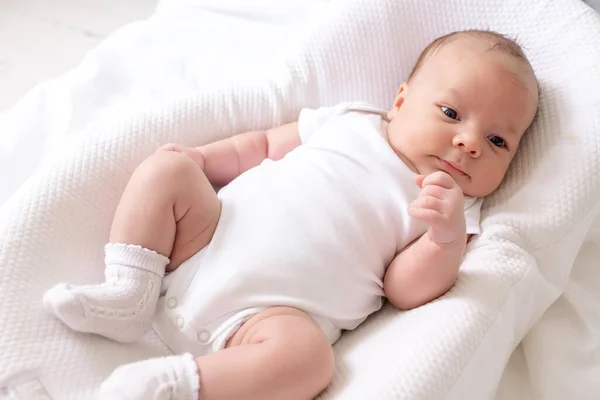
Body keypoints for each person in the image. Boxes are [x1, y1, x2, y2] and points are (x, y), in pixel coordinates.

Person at [43, 29, 539, 400]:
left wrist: (444, 241)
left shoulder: (455, 210)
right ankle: (129, 292)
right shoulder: (349, 121)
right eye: (452, 114)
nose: (469, 143)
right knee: (165, 170)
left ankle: (177, 385)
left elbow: (403, 290)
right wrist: (203, 160)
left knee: (310, 362)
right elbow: (259, 147)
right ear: (401, 100)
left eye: (498, 140)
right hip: (204, 241)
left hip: (270, 318)